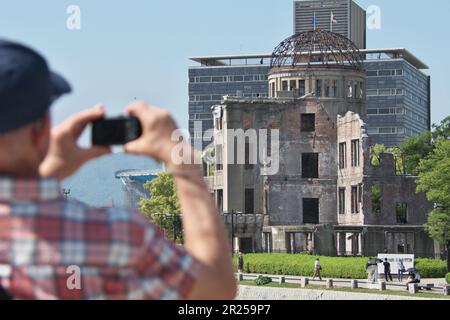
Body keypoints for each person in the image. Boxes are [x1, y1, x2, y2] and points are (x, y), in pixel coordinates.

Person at [0, 40, 236, 300]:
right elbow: (215, 287)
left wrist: (47, 170)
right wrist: (183, 164)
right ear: (42, 128)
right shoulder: (116, 239)